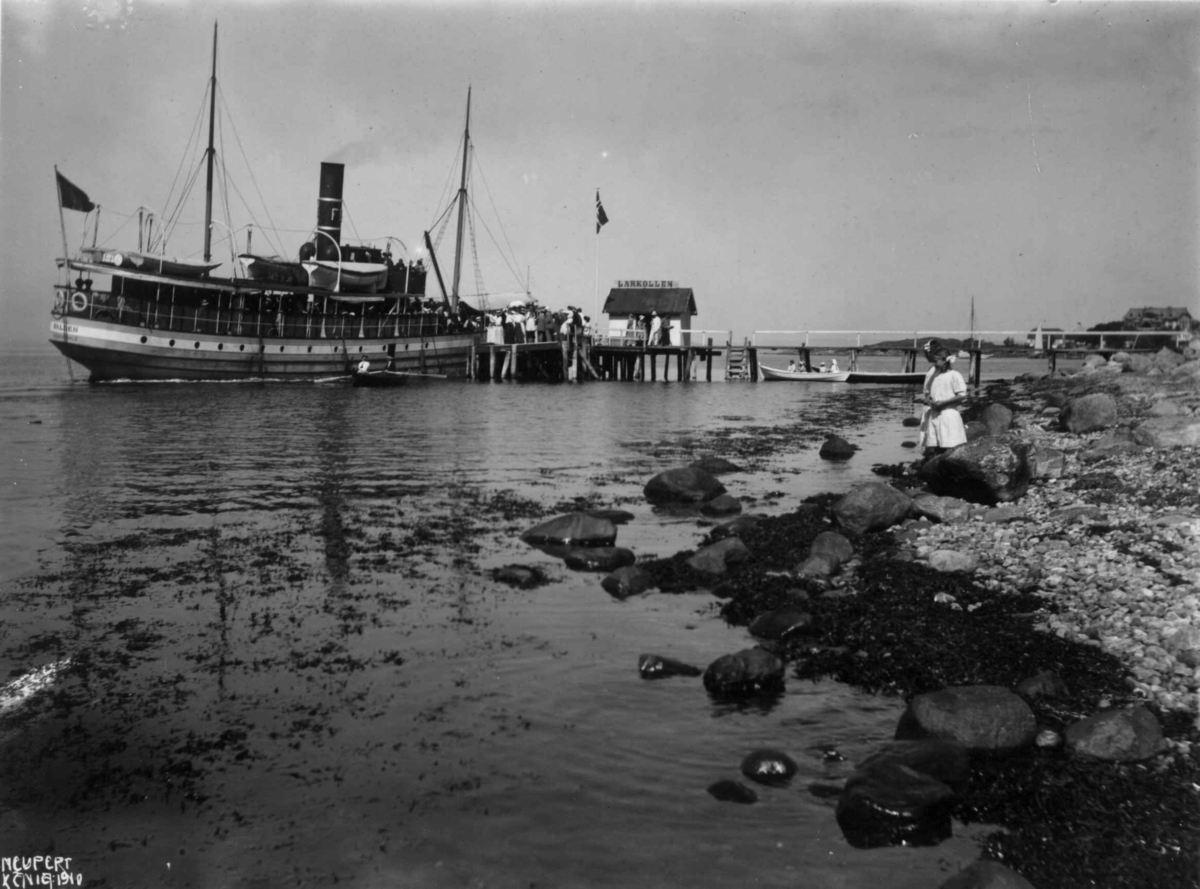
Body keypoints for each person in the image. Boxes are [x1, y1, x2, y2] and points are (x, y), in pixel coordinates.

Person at [916, 339, 967, 459]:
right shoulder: (936, 374)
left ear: (945, 360)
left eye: (936, 361)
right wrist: (928, 400)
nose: (934, 364)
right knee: (935, 444)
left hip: (948, 413)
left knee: (950, 446)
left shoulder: (954, 375)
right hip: (935, 413)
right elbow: (931, 391)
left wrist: (943, 402)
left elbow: (962, 395)